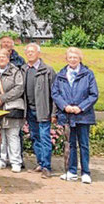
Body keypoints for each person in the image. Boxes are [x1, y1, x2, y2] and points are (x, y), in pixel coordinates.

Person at [52, 47, 99, 184]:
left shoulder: (88, 74)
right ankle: (71, 171)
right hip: (67, 115)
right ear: (66, 59)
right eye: (70, 57)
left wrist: (80, 107)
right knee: (70, 144)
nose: (73, 60)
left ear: (80, 59)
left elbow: (93, 94)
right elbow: (55, 93)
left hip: (83, 116)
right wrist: (65, 106)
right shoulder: (60, 75)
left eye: (75, 57)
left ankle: (85, 172)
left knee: (83, 144)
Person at [20, 43, 56, 179]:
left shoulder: (47, 70)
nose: (30, 54)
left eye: (32, 52)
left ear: (38, 54)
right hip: (29, 110)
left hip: (43, 110)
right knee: (35, 137)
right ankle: (40, 163)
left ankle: (47, 167)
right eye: (28, 52)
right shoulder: (23, 69)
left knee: (45, 138)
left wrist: (54, 113)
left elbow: (55, 93)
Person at [0, 49, 25, 173]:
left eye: (4, 56)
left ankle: (16, 161)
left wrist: (2, 98)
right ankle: (1, 159)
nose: (2, 59)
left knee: (13, 135)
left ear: (8, 58)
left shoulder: (15, 72)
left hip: (12, 107)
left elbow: (19, 88)